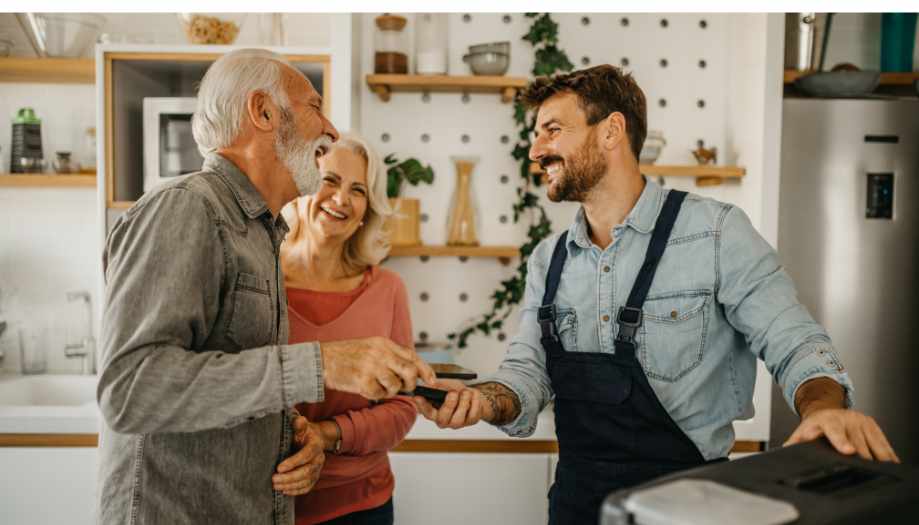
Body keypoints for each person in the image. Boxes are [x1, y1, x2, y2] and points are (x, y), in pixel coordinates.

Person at [412, 64, 899, 524]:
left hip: (693, 507)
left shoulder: (715, 233)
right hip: (578, 507)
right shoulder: (548, 258)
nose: (535, 150)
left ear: (611, 131)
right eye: (535, 134)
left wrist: (825, 409)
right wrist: (482, 400)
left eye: (552, 130)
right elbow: (527, 373)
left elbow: (794, 343)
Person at [97, 49, 434, 524]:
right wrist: (322, 363)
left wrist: (300, 437)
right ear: (263, 111)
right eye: (314, 106)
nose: (331, 129)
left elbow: (232, 387)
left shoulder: (258, 233)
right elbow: (131, 390)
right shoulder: (187, 209)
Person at [273, 134, 414, 525]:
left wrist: (325, 434)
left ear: (367, 209)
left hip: (361, 505)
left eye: (357, 190)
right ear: (301, 181)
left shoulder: (387, 289)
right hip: (265, 499)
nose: (340, 199)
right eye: (329, 181)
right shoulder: (260, 279)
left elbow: (402, 407)